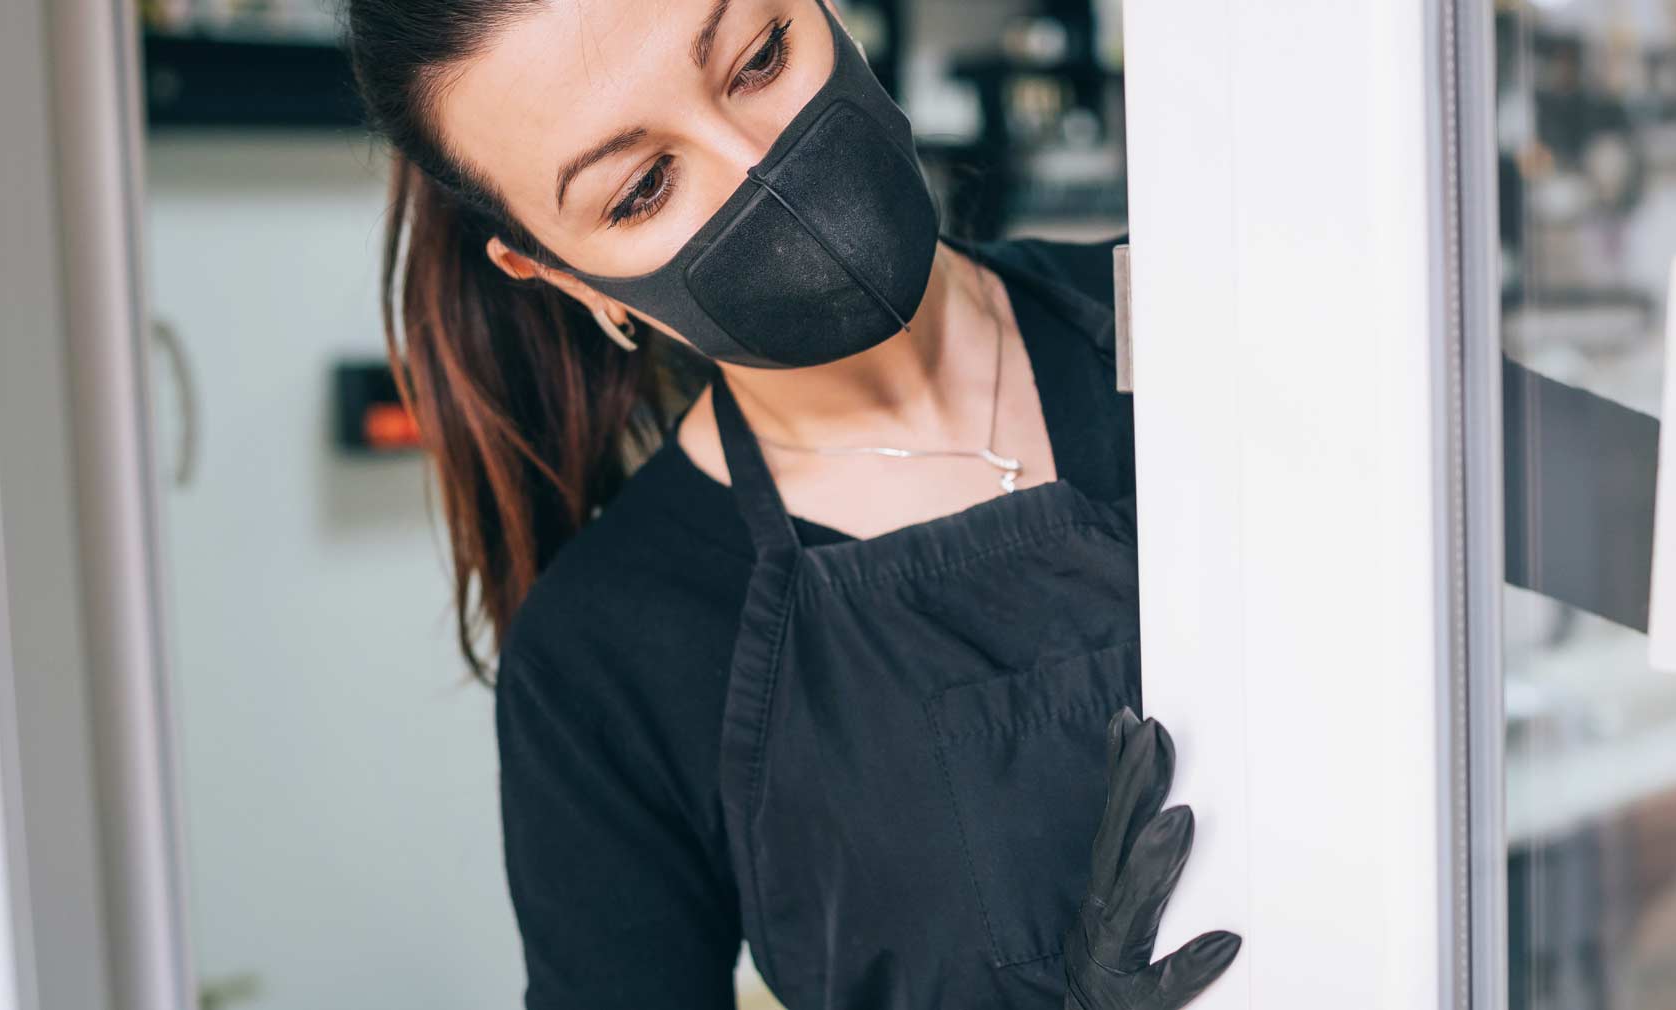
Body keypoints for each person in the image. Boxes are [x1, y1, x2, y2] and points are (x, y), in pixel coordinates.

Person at [342, 0, 1237, 1006]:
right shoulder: (609, 651)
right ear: (556, 273)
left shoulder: (1218, 310)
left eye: (759, 57)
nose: (754, 163)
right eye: (640, 189)